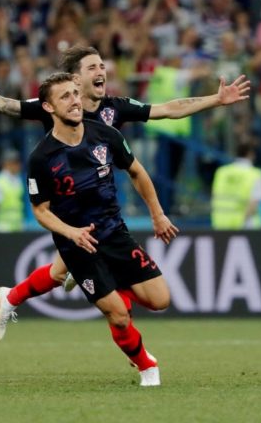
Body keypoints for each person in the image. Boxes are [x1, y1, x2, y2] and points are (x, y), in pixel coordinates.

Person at [0, 45, 249, 341]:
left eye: (102, 66)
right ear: (75, 78)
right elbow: (2, 103)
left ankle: (10, 297)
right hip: (68, 212)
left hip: (102, 208)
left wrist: (215, 99)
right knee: (90, 287)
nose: (101, 71)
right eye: (92, 67)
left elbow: (169, 108)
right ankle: (133, 348)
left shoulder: (115, 108)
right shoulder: (55, 104)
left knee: (59, 273)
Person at [25, 72, 178, 386]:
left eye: (75, 93)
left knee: (161, 300)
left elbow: (137, 171)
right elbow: (40, 211)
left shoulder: (106, 135)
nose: (74, 101)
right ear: (48, 107)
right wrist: (71, 233)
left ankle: (109, 283)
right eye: (65, 96)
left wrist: (158, 214)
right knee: (119, 316)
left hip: (114, 233)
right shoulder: (41, 157)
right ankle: (147, 366)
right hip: (78, 246)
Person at [211, 141, 261, 229]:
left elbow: (214, 195)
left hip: (220, 223)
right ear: (251, 154)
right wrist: (241, 223)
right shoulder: (255, 174)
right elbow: (254, 202)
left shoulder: (222, 172)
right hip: (244, 226)